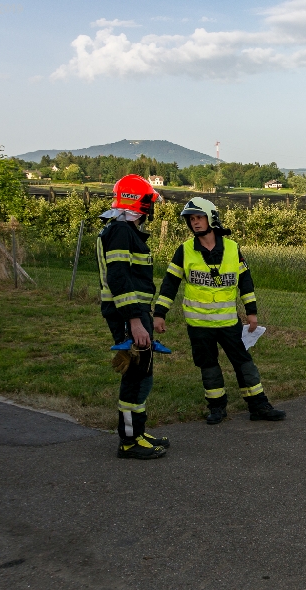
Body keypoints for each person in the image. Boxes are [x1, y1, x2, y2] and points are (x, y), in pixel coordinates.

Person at [153, 198, 286, 425]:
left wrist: (252, 313)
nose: (195, 223)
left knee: (244, 363)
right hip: (199, 325)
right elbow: (169, 284)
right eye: (191, 219)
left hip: (228, 323)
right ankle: (216, 408)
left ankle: (259, 406)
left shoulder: (233, 248)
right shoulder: (184, 250)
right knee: (208, 366)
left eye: (199, 217)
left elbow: (245, 282)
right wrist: (159, 314)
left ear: (211, 218)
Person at [96, 174, 169, 459]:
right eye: (149, 202)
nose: (151, 208)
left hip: (134, 313)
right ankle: (129, 441)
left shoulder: (122, 229)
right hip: (129, 315)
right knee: (136, 376)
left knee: (142, 374)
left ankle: (137, 432)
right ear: (137, 202)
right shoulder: (121, 231)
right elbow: (119, 278)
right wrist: (135, 322)